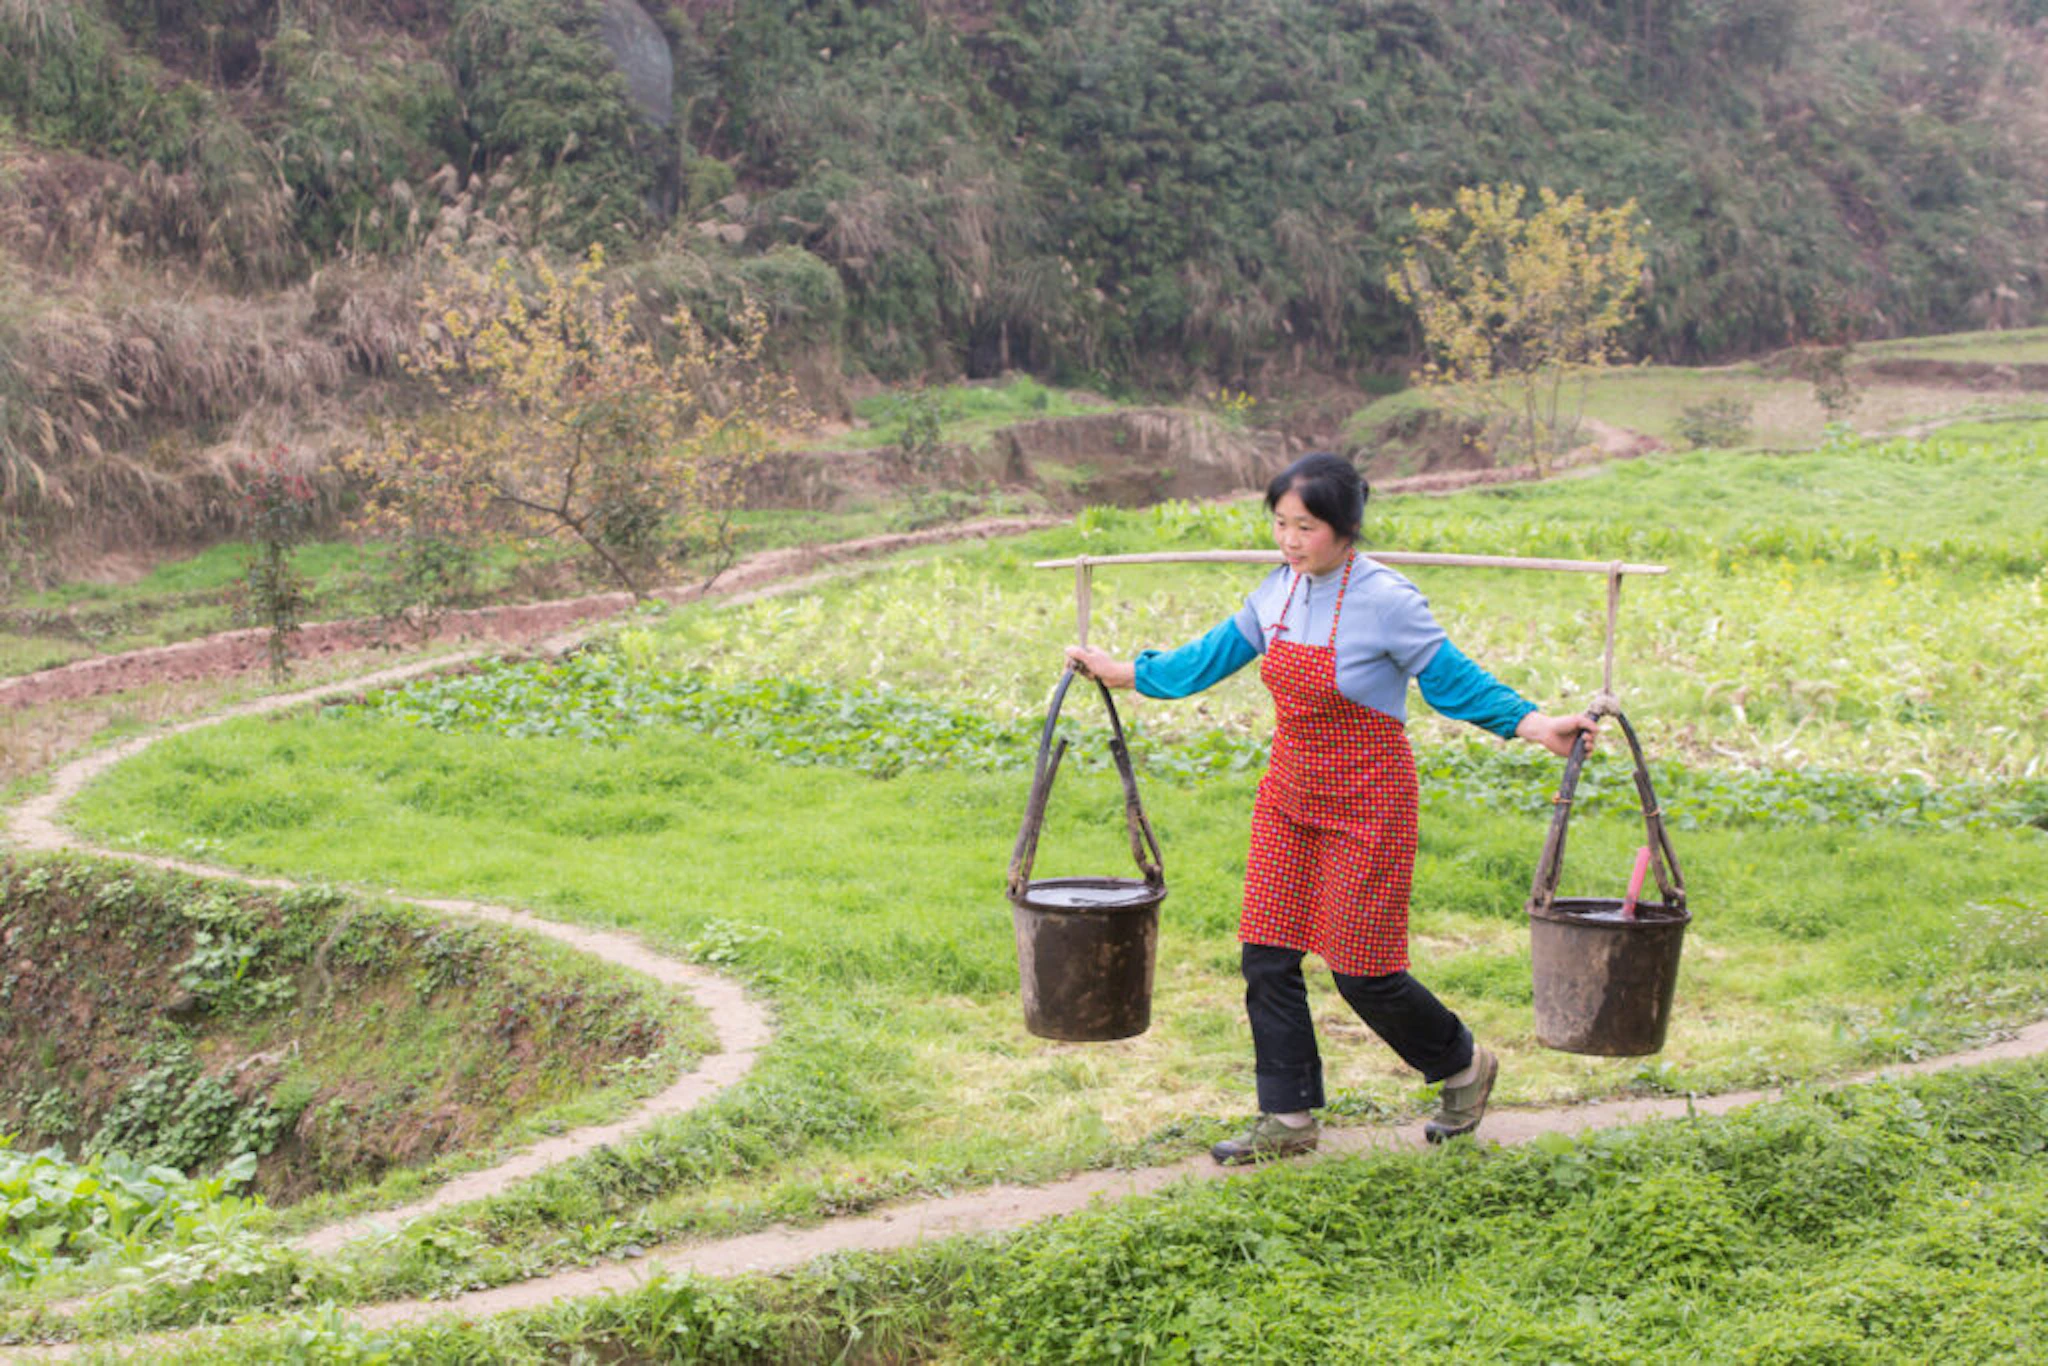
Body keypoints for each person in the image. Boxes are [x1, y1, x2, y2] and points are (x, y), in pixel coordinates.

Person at [1065, 452, 1595, 1163]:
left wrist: (1535, 726)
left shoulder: (1388, 599)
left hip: (1368, 801)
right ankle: (1286, 1118)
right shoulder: (1277, 594)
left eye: (1305, 527)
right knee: (1267, 956)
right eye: (1280, 524)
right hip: (1289, 796)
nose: (1289, 540)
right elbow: (1208, 658)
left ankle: (1463, 1066)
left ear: (1345, 527)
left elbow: (1453, 682)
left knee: (1363, 970)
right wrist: (1124, 672)